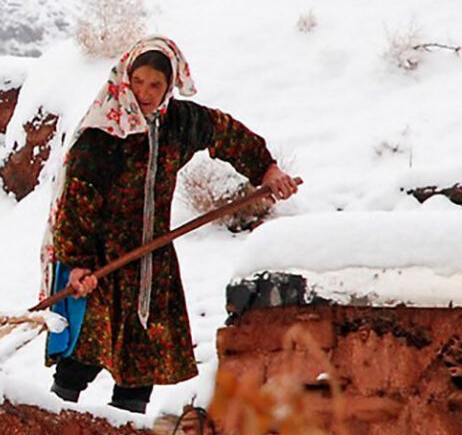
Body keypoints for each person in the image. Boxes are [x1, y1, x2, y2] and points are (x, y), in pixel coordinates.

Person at [40, 36, 297, 413]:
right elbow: (74, 207)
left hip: (151, 265)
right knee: (81, 357)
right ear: (125, 78)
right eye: (138, 81)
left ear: (170, 85)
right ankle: (52, 431)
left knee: (141, 362)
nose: (144, 92)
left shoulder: (180, 123)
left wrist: (267, 169)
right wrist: (77, 263)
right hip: (102, 263)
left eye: (155, 84)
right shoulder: (102, 134)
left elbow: (226, 133)